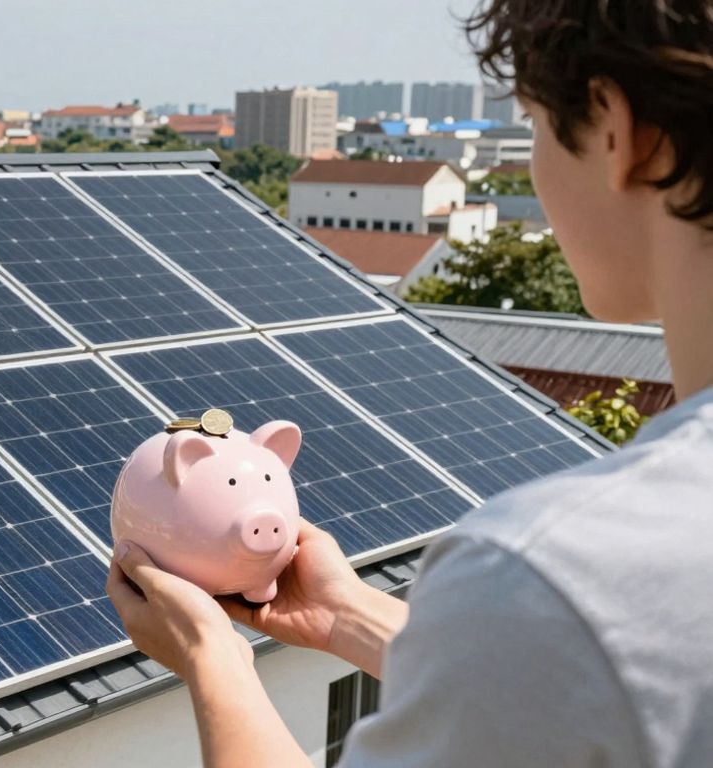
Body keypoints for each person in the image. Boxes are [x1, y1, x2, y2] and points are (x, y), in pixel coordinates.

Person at [106, 1, 713, 765]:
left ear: (618, 129)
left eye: (530, 123)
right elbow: (569, 695)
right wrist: (348, 615)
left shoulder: (559, 576)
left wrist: (211, 659)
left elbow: (567, 649)